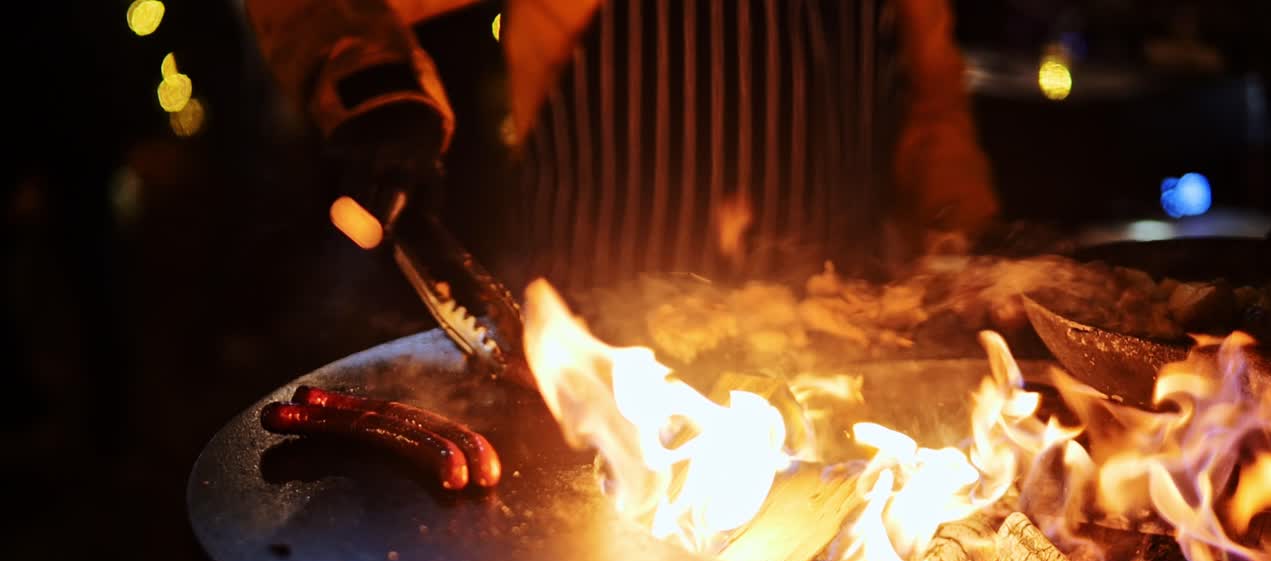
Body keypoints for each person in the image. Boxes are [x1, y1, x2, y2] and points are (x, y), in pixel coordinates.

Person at [244, 0, 999, 289]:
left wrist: (957, 237)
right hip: (600, 363)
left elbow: (930, 110)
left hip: (839, 362)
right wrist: (376, 88)